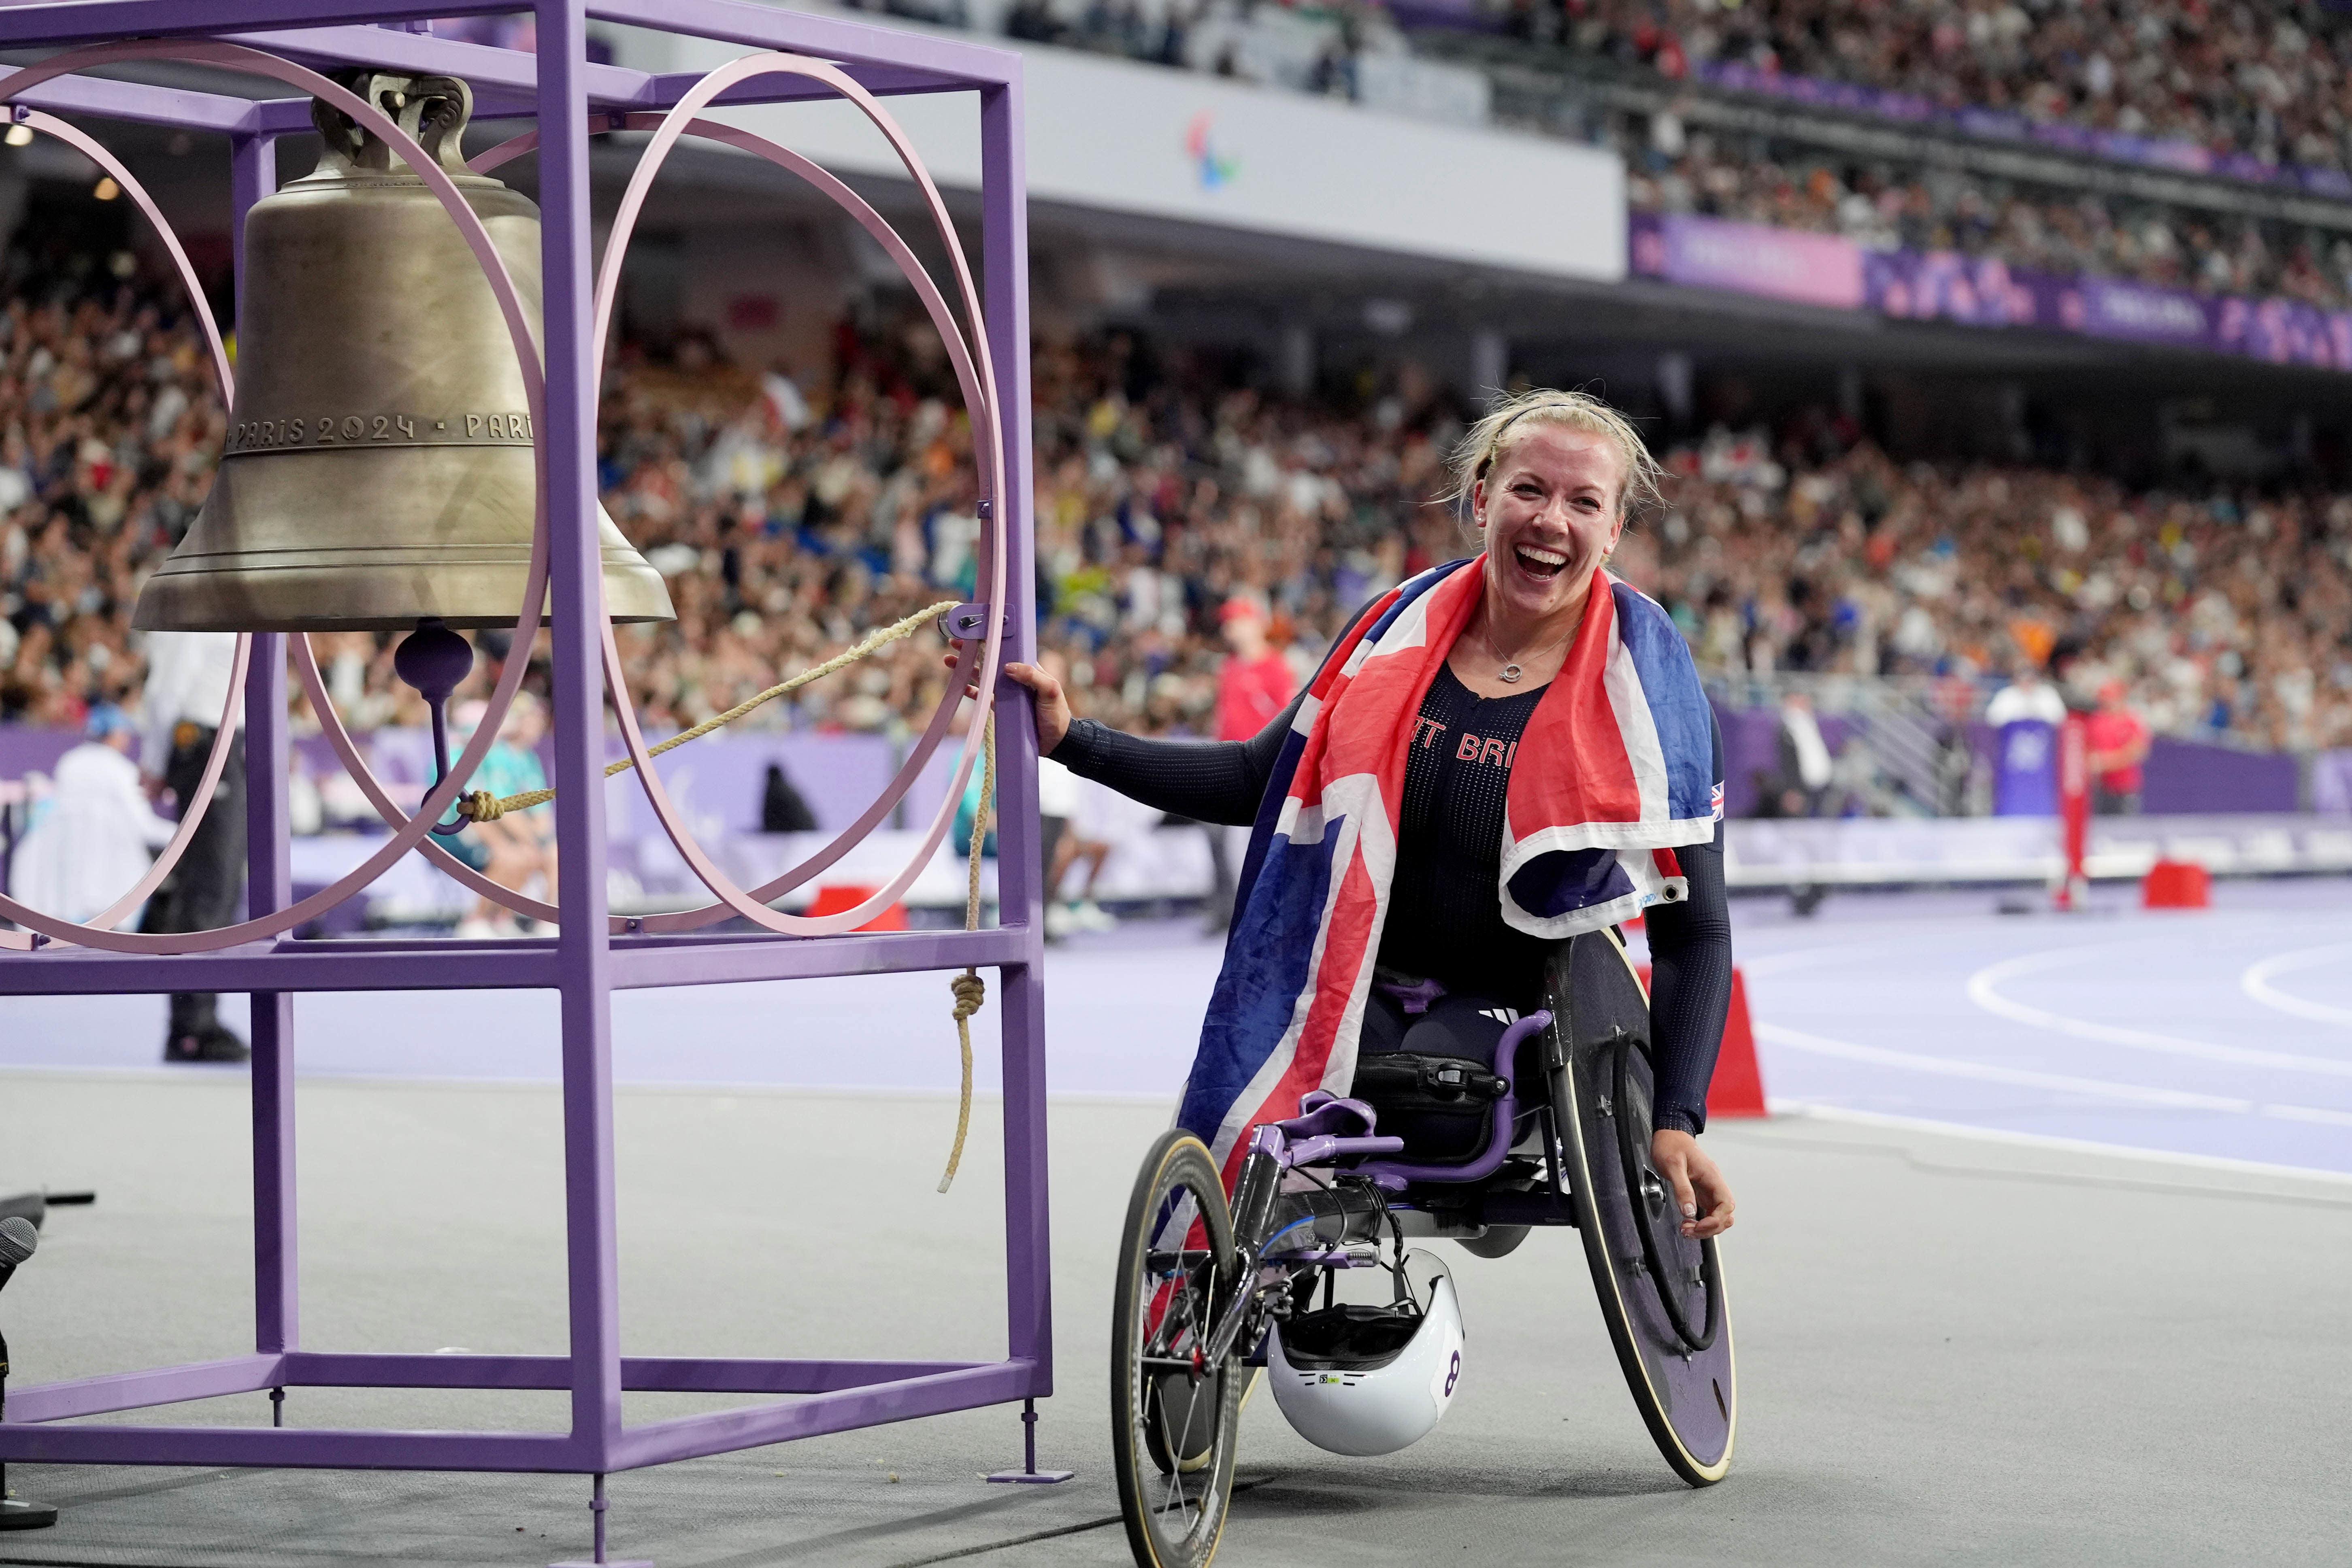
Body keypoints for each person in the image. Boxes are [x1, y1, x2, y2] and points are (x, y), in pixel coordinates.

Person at [958, 387, 1736, 1239]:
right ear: (1482, 497)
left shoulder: (1645, 692)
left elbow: (1693, 930)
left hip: (1517, 997)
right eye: (1528, 490)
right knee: (1272, 1091)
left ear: (1614, 529)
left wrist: (1678, 1117)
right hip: (1356, 964)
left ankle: (1466, 1183)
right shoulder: (1389, 633)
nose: (1551, 518)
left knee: (1429, 1103)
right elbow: (1259, 780)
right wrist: (1077, 740)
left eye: (1584, 501)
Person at [138, 630, 248, 1064]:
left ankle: (198, 1017)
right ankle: (190, 1027)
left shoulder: (221, 600)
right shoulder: (197, 599)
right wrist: (154, 760)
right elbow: (167, 686)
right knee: (207, 886)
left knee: (219, 888)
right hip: (204, 741)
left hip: (225, 742)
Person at [9, 704, 176, 926]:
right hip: (110, 878)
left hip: (66, 880)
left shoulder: (70, 761)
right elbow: (145, 827)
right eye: (124, 732)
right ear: (115, 734)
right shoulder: (121, 770)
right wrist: (186, 835)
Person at [1195, 596, 1296, 933]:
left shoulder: (1276, 668)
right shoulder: (1228, 669)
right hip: (1228, 763)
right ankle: (1224, 910)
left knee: (1268, 842)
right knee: (1215, 838)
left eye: (1236, 621)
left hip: (1264, 768)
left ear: (1255, 624)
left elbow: (1290, 717)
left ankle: (1267, 911)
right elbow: (1222, 717)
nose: (1229, 629)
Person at [453, 692, 558, 938]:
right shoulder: (497, 755)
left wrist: (541, 839)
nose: (535, 724)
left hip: (508, 832)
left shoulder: (529, 758)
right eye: (528, 718)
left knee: (552, 854)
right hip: (478, 831)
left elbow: (541, 811)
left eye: (537, 718)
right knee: (520, 856)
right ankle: (477, 919)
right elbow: (501, 810)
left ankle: (543, 920)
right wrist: (531, 840)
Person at [2085, 679, 2150, 815]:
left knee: (2126, 830)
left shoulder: (2132, 720)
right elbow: (2088, 750)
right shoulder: (2095, 721)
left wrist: (2106, 762)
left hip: (2125, 788)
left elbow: (2138, 751)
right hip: (2101, 788)